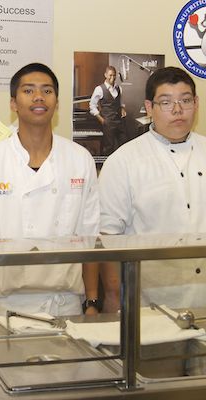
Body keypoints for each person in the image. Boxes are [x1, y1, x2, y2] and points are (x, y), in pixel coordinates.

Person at [0, 63, 100, 320]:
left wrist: (92, 300)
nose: (39, 97)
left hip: (67, 302)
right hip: (7, 305)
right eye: (28, 91)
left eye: (47, 91)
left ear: (57, 102)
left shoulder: (80, 159)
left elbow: (89, 236)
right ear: (13, 103)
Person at [99, 66, 206, 309]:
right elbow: (108, 239)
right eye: (166, 102)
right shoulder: (124, 161)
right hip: (151, 307)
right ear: (149, 108)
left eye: (185, 100)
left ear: (196, 103)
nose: (178, 110)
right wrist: (115, 301)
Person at [89, 66, 127, 156]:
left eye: (114, 76)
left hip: (119, 121)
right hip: (108, 122)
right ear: (105, 75)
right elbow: (92, 105)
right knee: (109, 147)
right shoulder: (99, 89)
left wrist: (122, 109)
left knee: (124, 144)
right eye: (110, 75)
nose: (112, 78)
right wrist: (101, 119)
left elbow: (120, 103)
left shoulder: (119, 88)